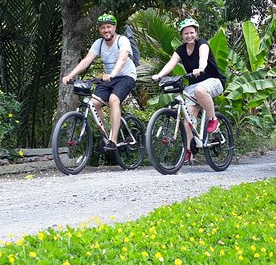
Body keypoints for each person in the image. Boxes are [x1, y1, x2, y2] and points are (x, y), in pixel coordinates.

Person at [152, 18, 226, 163]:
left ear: (196, 33)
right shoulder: (180, 50)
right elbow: (171, 64)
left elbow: (203, 57)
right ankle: (189, 150)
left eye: (191, 32)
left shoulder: (202, 44)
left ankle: (213, 120)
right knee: (188, 121)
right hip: (193, 86)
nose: (189, 36)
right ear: (182, 35)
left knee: (199, 90)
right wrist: (159, 75)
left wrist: (201, 68)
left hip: (213, 81)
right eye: (186, 33)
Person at [61, 13, 137, 152]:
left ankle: (113, 141)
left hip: (126, 76)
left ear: (114, 27)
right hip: (109, 78)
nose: (106, 30)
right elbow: (86, 61)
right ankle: (108, 133)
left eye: (109, 27)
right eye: (103, 28)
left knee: (114, 100)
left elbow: (122, 59)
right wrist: (69, 75)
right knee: (94, 104)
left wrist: (112, 74)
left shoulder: (122, 40)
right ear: (99, 30)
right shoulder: (99, 43)